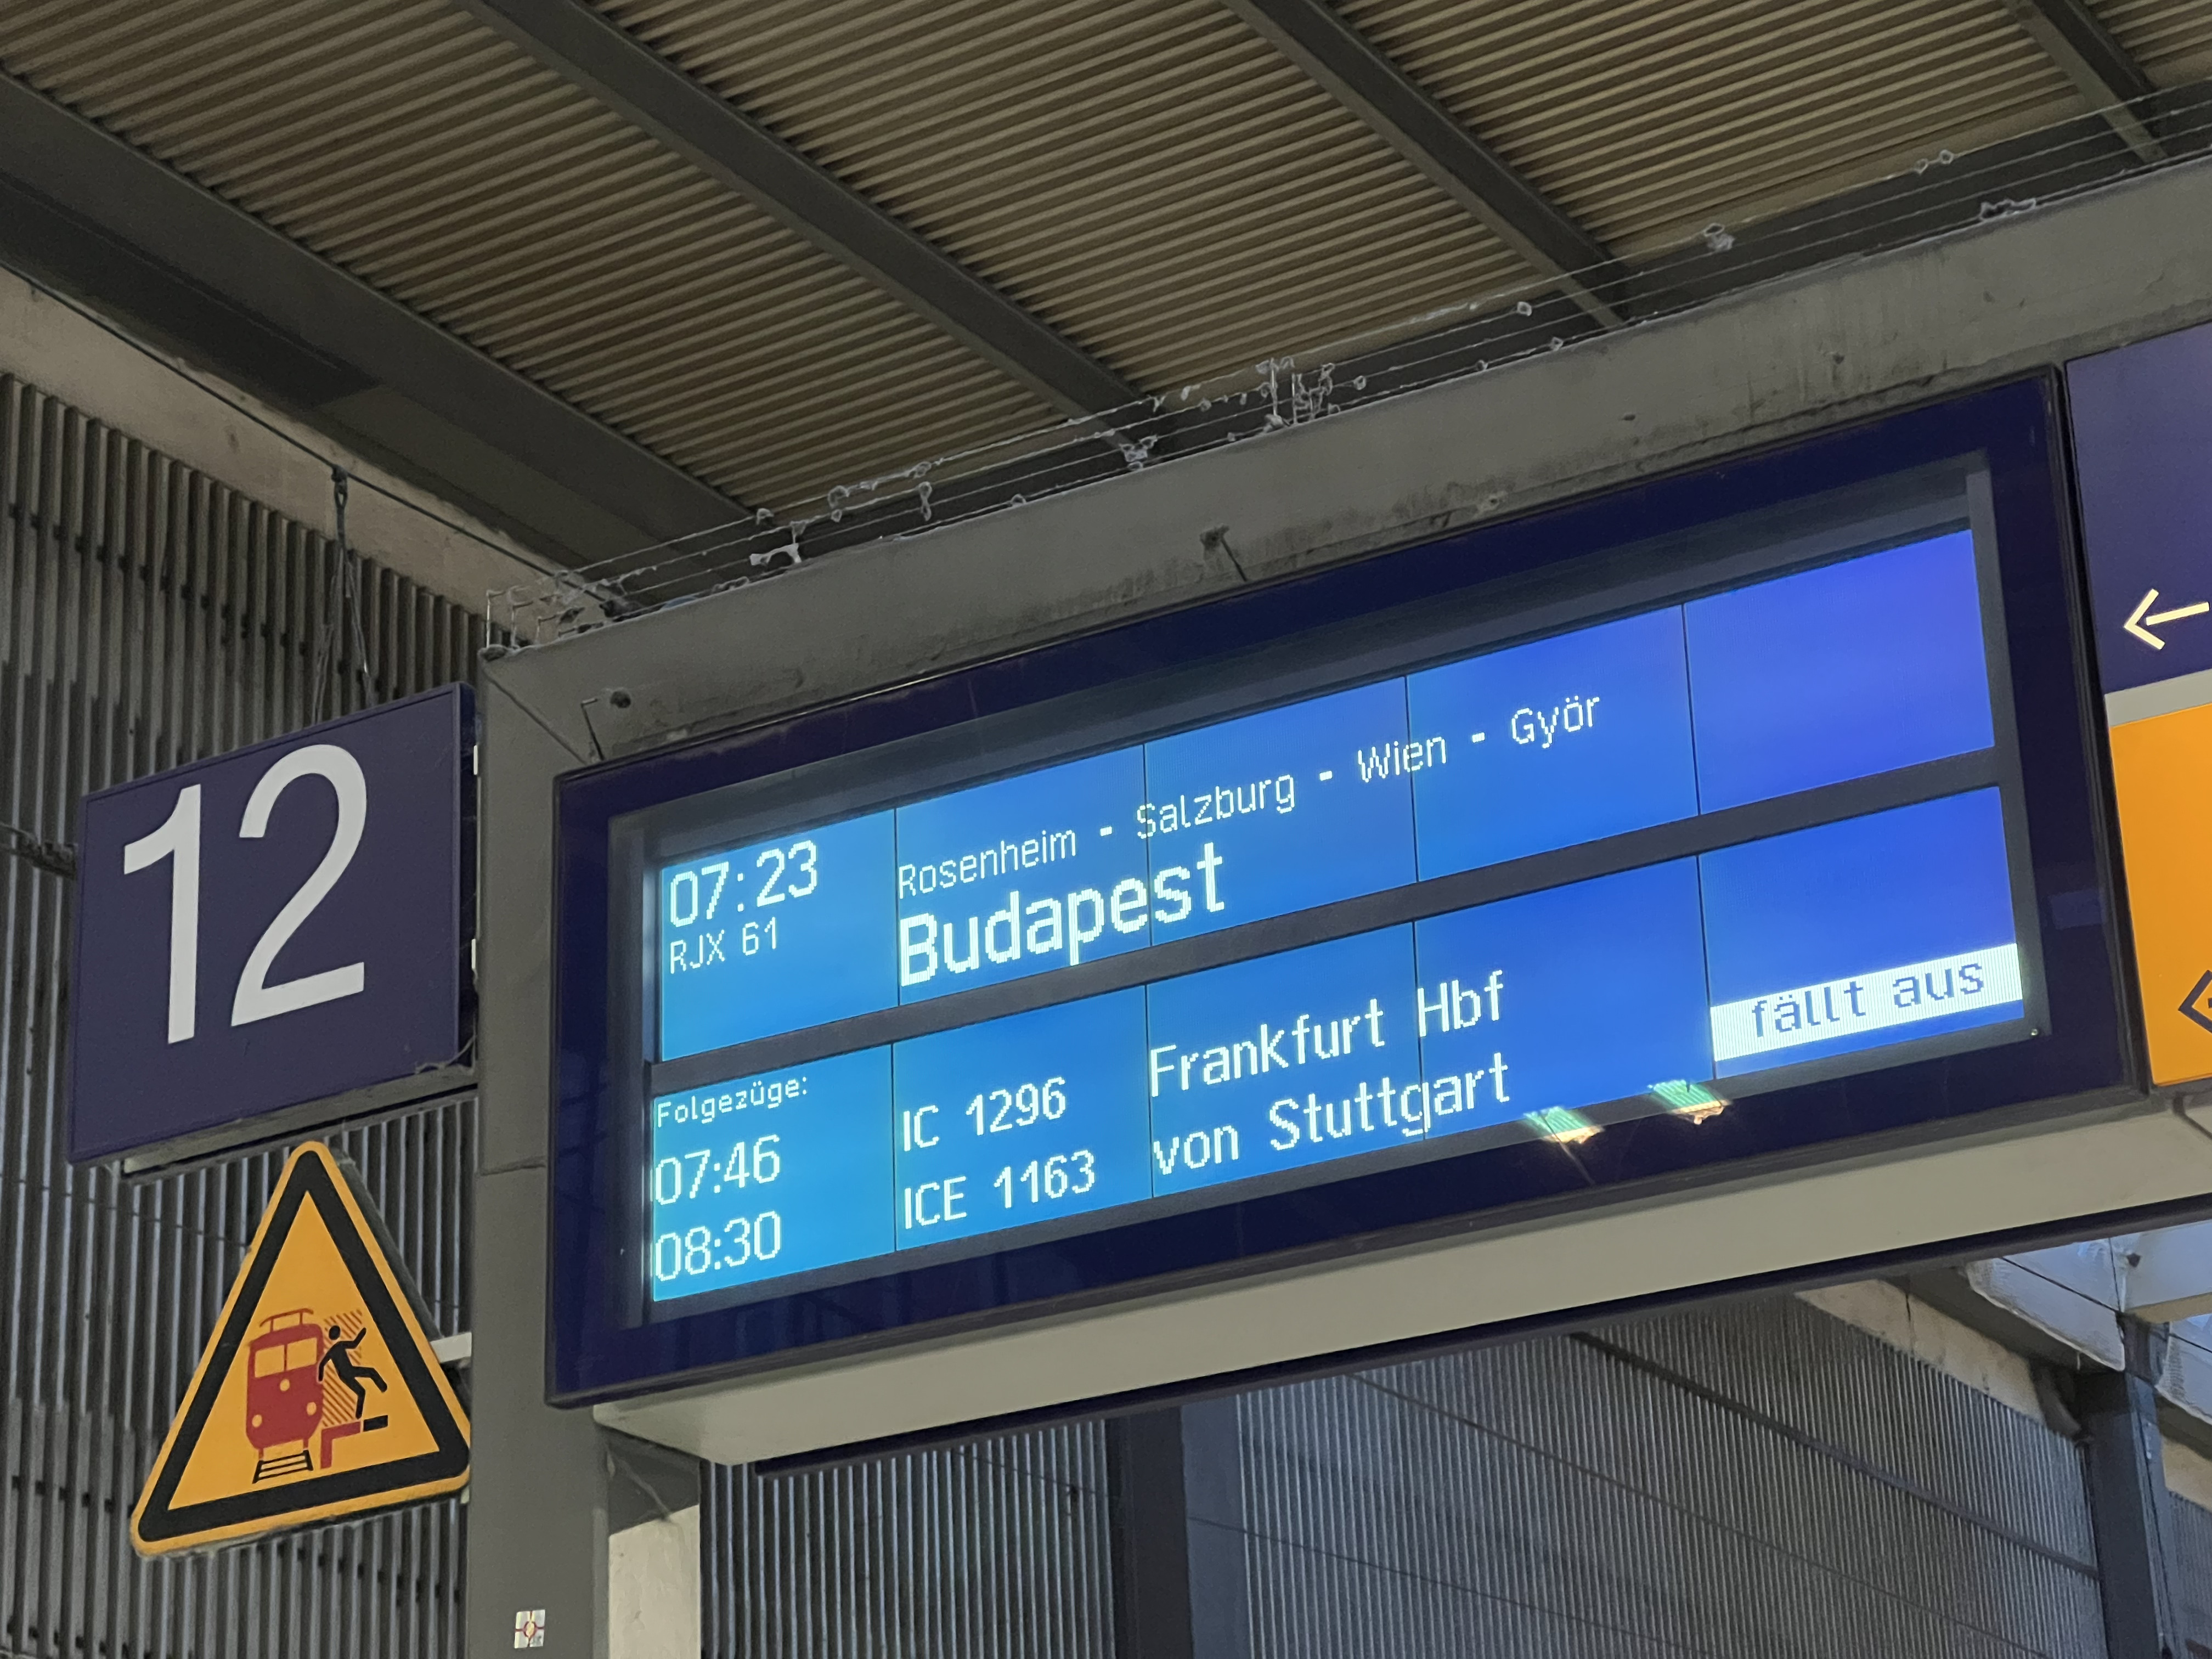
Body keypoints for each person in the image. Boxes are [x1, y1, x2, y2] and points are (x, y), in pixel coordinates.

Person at [317, 1322, 387, 1420]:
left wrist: (320, 1377)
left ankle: (359, 1415)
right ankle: (384, 1388)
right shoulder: (340, 1346)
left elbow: (322, 1364)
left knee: (362, 1392)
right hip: (349, 1371)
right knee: (371, 1373)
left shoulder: (332, 1351)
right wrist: (362, 1333)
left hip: (344, 1375)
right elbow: (354, 1344)